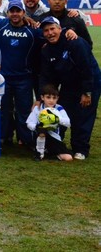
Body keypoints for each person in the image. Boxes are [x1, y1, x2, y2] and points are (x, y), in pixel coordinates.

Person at [39, 16, 101, 160]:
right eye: (46, 30)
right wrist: (43, 96)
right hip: (69, 84)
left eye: (52, 29)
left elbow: (87, 69)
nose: (50, 33)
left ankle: (80, 149)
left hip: (89, 82)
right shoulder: (47, 50)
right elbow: (47, 76)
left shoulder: (75, 42)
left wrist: (87, 92)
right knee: (61, 111)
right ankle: (56, 146)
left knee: (83, 116)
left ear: (60, 29)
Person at [0, 0, 40, 145]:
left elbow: (51, 32)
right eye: (12, 11)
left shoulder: (33, 30)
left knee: (23, 111)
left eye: (18, 11)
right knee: (2, 110)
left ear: (23, 12)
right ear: (7, 13)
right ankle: (2, 138)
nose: (15, 14)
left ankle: (25, 140)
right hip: (2, 79)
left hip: (24, 79)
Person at [26, 84, 73, 162]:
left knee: (68, 158)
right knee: (42, 129)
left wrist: (56, 119)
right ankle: (39, 153)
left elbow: (68, 123)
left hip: (54, 138)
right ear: (42, 97)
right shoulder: (38, 108)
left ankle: (49, 153)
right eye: (48, 97)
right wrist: (38, 126)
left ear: (57, 98)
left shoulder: (59, 108)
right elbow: (29, 123)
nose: (51, 100)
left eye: (54, 98)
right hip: (39, 137)